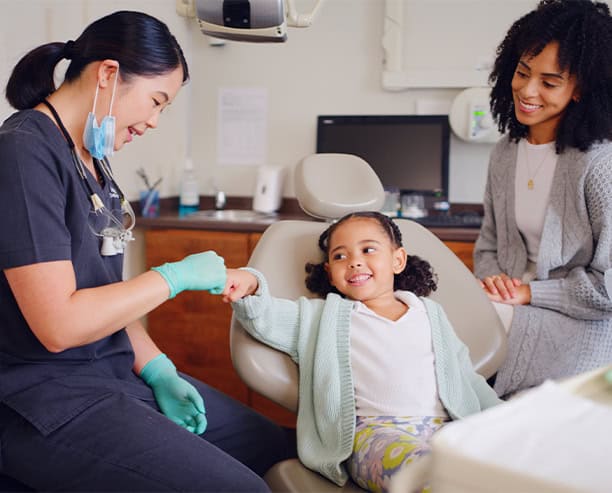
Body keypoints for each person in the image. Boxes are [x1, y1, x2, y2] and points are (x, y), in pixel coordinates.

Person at [0, 11, 291, 492]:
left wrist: (158, 369)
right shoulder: (22, 154)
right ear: (109, 74)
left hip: (107, 375)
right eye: (156, 102)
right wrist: (172, 277)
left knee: (267, 443)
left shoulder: (94, 163)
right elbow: (59, 326)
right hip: (42, 396)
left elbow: (104, 294)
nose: (154, 122)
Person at [222, 211, 501, 493]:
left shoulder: (429, 314)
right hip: (374, 437)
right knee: (436, 475)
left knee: (508, 470)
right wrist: (251, 284)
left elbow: (467, 378)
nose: (354, 261)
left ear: (397, 260)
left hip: (446, 430)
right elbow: (266, 317)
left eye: (368, 249)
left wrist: (508, 419)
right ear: (330, 274)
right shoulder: (321, 317)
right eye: (340, 256)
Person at [474, 0, 612, 397]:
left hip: (578, 327)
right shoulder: (505, 151)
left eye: (549, 83)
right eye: (522, 73)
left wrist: (530, 292)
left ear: (579, 90)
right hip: (509, 309)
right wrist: (495, 282)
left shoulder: (599, 166)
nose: (528, 91)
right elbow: (487, 247)